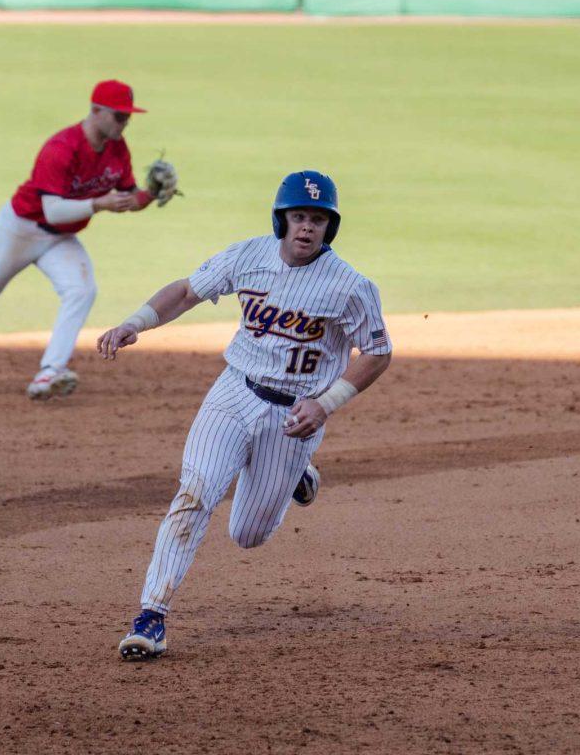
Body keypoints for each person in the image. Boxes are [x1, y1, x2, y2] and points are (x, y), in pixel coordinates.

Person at [96, 170, 392, 660]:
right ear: (283, 219)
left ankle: (298, 470)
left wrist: (326, 404)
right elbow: (188, 290)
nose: (306, 228)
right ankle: (151, 617)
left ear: (329, 228)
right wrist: (136, 323)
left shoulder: (350, 287)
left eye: (318, 220)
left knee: (248, 534)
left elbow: (378, 352)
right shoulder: (249, 255)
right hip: (234, 394)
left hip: (295, 415)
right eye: (299, 216)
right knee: (194, 494)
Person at [0, 79, 179, 399]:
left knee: (81, 290)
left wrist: (151, 193)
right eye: (118, 116)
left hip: (60, 239)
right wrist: (98, 203)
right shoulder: (61, 148)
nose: (124, 123)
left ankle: (49, 373)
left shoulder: (117, 150)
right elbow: (53, 210)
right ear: (96, 110)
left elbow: (130, 200)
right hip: (22, 229)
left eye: (127, 117)